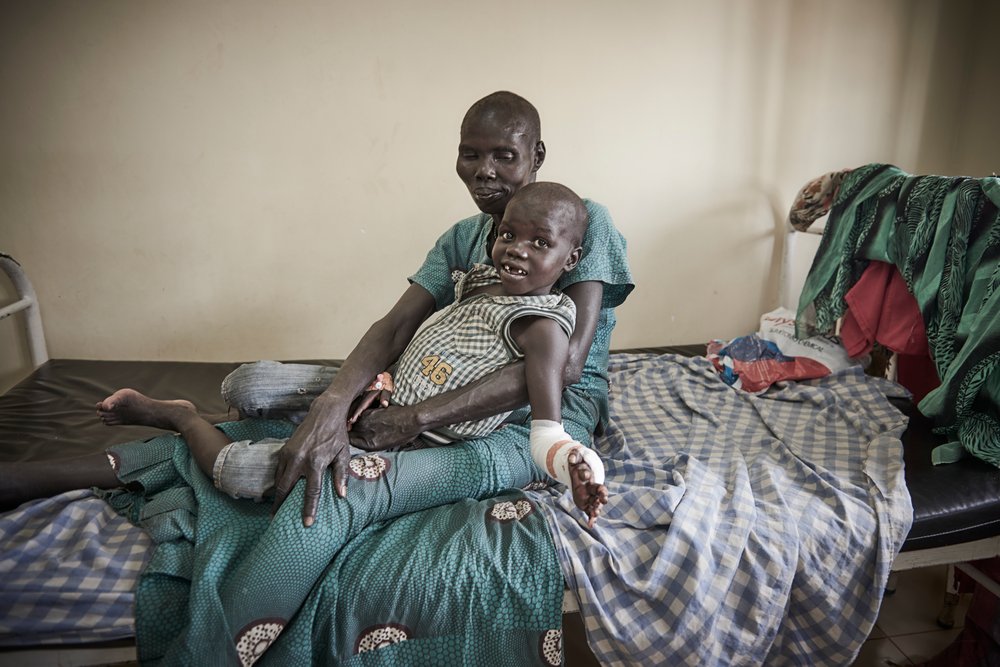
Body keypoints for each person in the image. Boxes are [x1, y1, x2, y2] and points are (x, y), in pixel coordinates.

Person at [222, 90, 634, 526]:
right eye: (470, 155)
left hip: (539, 415)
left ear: (537, 156)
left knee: (306, 475)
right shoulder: (462, 238)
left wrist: (412, 419)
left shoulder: (582, 221)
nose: (484, 172)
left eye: (504, 156)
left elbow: (565, 366)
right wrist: (334, 403)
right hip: (430, 385)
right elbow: (398, 325)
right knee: (248, 385)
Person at [94, 182, 609, 524]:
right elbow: (403, 330)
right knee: (244, 385)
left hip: (413, 437)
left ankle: (182, 419)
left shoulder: (545, 326)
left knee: (240, 475)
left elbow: (549, 429)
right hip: (380, 388)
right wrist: (361, 389)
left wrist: (578, 467)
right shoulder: (479, 277)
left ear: (573, 258)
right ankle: (258, 413)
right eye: (508, 236)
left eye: (539, 243)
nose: (516, 249)